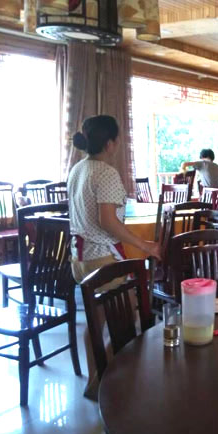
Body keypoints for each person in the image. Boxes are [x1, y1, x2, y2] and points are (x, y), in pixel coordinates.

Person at [68, 115, 161, 398]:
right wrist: (145, 245)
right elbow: (108, 221)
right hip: (102, 257)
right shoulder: (106, 173)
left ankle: (95, 379)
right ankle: (105, 380)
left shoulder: (78, 169)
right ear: (110, 143)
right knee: (128, 314)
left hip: (80, 257)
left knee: (95, 320)